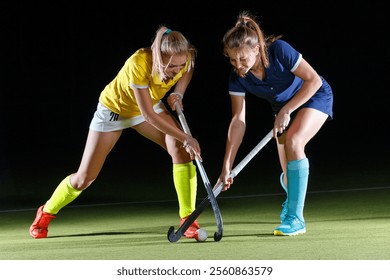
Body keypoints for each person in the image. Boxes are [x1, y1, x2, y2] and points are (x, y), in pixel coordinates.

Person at [29, 25, 204, 240]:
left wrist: (178, 93)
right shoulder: (139, 63)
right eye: (171, 67)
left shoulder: (184, 58)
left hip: (147, 105)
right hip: (115, 110)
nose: (177, 70)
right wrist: (186, 137)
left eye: (180, 65)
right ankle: (46, 212)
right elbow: (149, 116)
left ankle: (188, 220)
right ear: (159, 58)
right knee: (84, 178)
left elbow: (189, 67)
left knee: (180, 150)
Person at [217, 11, 333, 236]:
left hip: (314, 95)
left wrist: (287, 110)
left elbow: (314, 80)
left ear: (257, 49)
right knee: (290, 175)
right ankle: (291, 190)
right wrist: (227, 165)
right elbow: (238, 121)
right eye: (232, 60)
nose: (238, 65)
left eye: (242, 58)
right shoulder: (237, 78)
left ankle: (296, 220)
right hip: (282, 111)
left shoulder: (279, 50)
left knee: (294, 141)